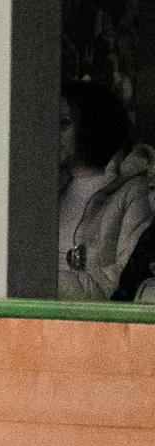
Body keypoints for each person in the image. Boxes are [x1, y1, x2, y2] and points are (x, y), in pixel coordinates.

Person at [57, 81, 151, 301]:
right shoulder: (46, 187)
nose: (53, 133)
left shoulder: (133, 190)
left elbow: (122, 280)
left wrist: (37, 283)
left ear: (91, 124)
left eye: (64, 123)